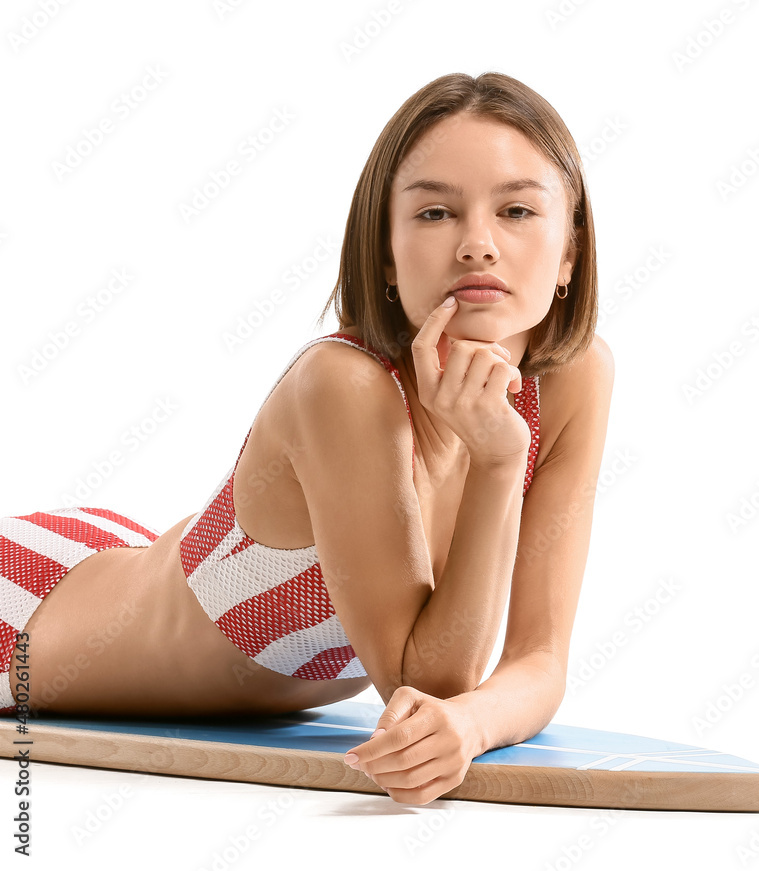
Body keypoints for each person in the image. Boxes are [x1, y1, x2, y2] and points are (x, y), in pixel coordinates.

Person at [0, 71, 614, 805]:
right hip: (27, 616)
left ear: (571, 252)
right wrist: (498, 459)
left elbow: (539, 658)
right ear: (385, 254)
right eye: (434, 213)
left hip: (122, 562)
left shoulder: (573, 378)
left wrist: (473, 725)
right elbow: (424, 685)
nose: (477, 244)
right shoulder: (345, 386)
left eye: (516, 209)